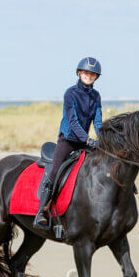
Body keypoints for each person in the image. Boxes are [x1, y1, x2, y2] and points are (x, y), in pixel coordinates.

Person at [33, 56, 103, 229]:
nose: (89, 75)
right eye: (86, 72)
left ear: (96, 77)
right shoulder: (70, 93)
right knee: (55, 171)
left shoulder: (96, 96)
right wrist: (87, 139)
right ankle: (41, 211)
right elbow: (73, 122)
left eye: (92, 74)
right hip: (68, 140)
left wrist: (101, 140)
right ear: (79, 73)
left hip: (85, 143)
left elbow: (98, 122)